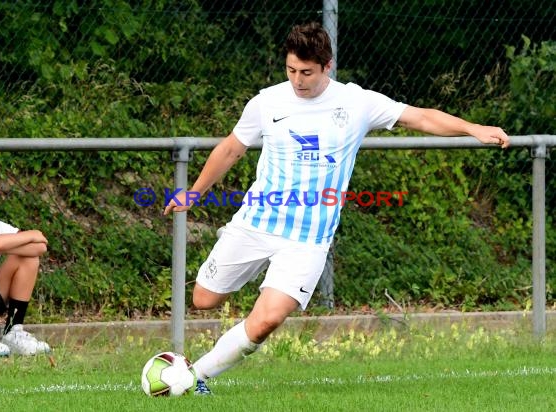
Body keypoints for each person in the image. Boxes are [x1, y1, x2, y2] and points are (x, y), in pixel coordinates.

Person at [163, 22, 510, 394]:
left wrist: (474, 128)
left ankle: (195, 377)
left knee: (267, 319)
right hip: (256, 222)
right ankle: (253, 268)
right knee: (204, 299)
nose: (298, 80)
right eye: (291, 70)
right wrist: (195, 193)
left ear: (327, 66)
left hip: (308, 240)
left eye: (307, 72)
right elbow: (232, 148)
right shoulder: (266, 102)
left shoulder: (356, 102)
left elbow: (420, 116)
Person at [0, 178, 51, 357]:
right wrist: (31, 234)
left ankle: (13, 331)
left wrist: (32, 237)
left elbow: (40, 247)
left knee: (28, 258)